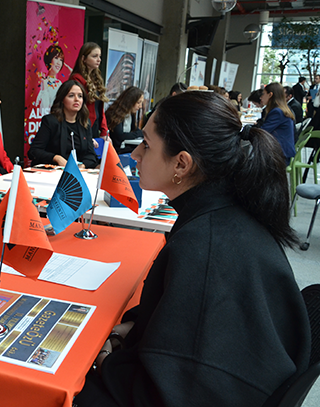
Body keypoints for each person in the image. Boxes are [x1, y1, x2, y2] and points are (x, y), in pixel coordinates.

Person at [74, 91, 310, 407]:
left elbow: (165, 394)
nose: (136, 155)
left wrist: (106, 359)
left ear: (182, 164)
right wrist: (140, 324)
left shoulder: (203, 245)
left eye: (146, 145)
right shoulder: (225, 211)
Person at [27, 80, 98, 168]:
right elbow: (34, 151)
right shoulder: (50, 121)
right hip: (53, 172)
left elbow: (90, 155)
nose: (76, 99)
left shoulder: (85, 123)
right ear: (62, 99)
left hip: (79, 172)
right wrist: (56, 158)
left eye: (80, 96)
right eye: (71, 96)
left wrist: (82, 166)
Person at [70, 42, 109, 138]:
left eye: (99, 56)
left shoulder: (96, 79)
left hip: (95, 125)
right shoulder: (76, 79)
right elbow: (76, 108)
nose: (99, 60)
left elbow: (100, 108)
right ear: (84, 58)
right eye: (94, 56)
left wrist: (104, 131)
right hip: (82, 126)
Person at [259, 82, 296, 159]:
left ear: (270, 95)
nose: (260, 97)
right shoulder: (281, 109)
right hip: (282, 152)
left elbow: (263, 131)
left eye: (263, 94)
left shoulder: (277, 112)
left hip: (280, 154)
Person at [105, 86, 144, 153]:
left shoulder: (131, 113)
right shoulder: (116, 113)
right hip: (116, 150)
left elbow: (135, 130)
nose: (140, 106)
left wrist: (140, 133)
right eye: (138, 102)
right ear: (130, 101)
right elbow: (120, 136)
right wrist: (138, 134)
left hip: (125, 147)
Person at [34, 45, 70, 117]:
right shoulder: (43, 82)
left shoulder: (59, 83)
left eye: (61, 60)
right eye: (56, 58)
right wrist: (45, 87)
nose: (59, 63)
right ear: (50, 59)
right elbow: (43, 110)